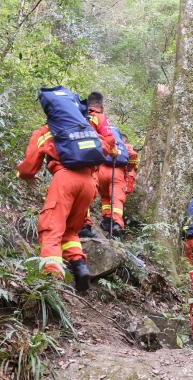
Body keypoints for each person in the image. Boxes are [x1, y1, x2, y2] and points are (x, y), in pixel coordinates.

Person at [16, 123, 97, 292]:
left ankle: (51, 278)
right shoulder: (85, 128)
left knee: (51, 227)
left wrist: (22, 174)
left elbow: (29, 166)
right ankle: (80, 266)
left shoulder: (47, 129)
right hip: (89, 183)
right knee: (70, 231)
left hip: (65, 179)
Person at [79, 92, 119, 238]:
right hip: (91, 161)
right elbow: (109, 139)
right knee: (87, 192)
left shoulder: (78, 114)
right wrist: (112, 152)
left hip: (74, 157)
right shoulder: (99, 117)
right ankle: (84, 225)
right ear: (101, 106)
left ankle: (81, 223)